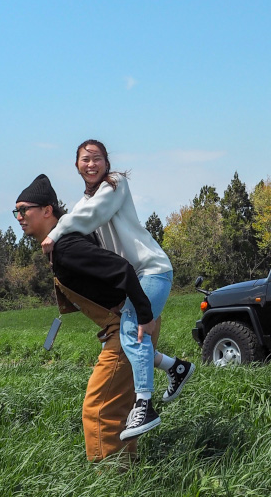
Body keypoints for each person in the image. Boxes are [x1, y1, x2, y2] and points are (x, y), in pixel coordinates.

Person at [15, 174, 159, 462]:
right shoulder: (60, 245)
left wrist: (144, 317)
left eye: (23, 210)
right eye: (16, 211)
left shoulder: (67, 247)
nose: (19, 217)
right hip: (125, 326)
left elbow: (122, 269)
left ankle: (109, 478)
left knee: (99, 408)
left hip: (129, 328)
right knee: (118, 407)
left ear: (47, 210)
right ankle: (127, 471)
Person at [40, 139, 194, 407]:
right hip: (131, 278)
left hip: (152, 269)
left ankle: (144, 405)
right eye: (85, 159)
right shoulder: (82, 204)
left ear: (106, 163)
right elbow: (85, 237)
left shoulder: (115, 184)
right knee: (128, 337)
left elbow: (93, 214)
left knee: (132, 330)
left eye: (97, 158)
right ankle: (175, 367)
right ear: (76, 165)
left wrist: (55, 233)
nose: (91, 164)